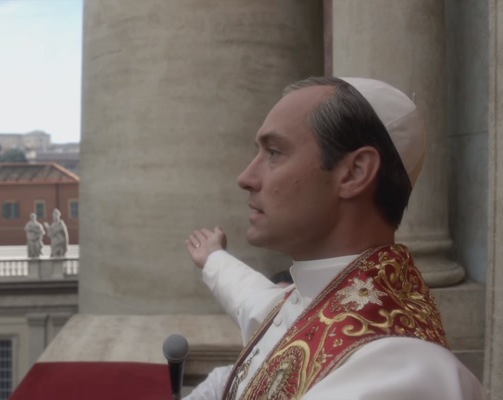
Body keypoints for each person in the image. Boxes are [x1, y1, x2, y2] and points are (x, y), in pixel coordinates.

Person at [184, 77, 487, 399]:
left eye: (273, 152)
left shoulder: (397, 374)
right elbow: (254, 299)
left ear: (355, 172)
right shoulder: (319, 300)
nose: (245, 178)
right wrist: (213, 258)